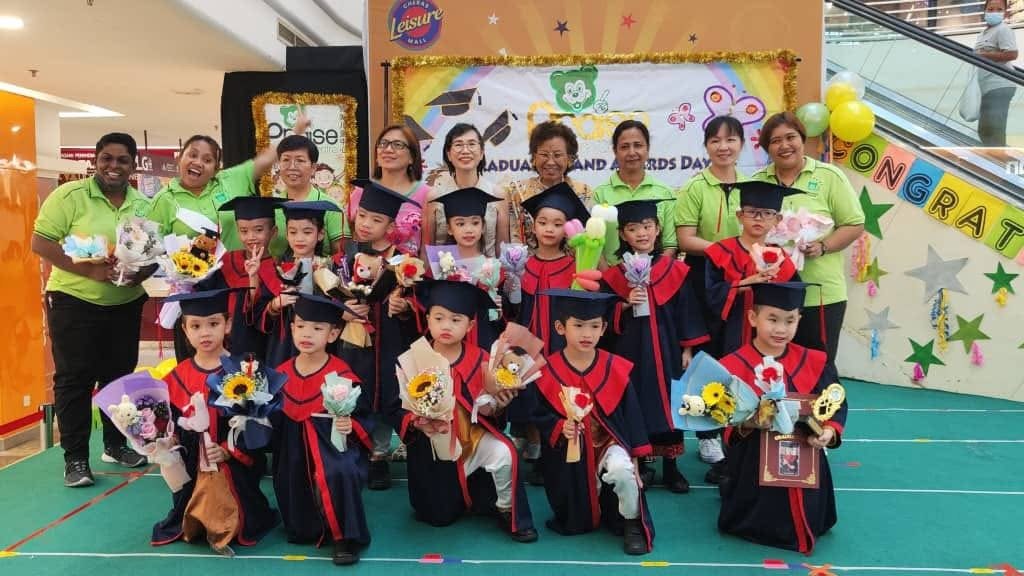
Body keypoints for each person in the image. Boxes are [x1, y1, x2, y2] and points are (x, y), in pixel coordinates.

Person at [32, 132, 153, 487]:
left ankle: (115, 445)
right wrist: (91, 270)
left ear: (133, 165)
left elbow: (153, 252)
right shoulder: (68, 196)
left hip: (124, 304)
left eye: (122, 160)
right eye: (107, 158)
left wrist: (138, 273)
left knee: (119, 378)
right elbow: (41, 242)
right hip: (73, 302)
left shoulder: (143, 204)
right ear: (96, 160)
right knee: (74, 380)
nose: (114, 166)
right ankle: (76, 459)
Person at [388, 279, 538, 542]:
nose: (446, 326)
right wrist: (414, 421)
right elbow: (394, 407)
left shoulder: (483, 360)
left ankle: (506, 508)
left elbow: (489, 412)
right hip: (435, 448)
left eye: (456, 320)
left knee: (506, 452)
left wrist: (498, 405)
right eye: (439, 318)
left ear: (469, 326)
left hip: (473, 440)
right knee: (439, 518)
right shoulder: (413, 359)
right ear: (428, 320)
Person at [717, 282, 848, 555]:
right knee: (759, 514)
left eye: (790, 320)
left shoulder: (814, 360)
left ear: (800, 319)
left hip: (806, 450)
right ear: (753, 318)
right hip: (754, 457)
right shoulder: (733, 366)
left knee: (808, 513)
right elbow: (724, 422)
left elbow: (835, 402)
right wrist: (750, 423)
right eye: (772, 319)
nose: (781, 329)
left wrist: (829, 431)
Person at [152, 289, 278, 554]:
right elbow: (169, 425)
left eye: (213, 323)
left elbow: (256, 424)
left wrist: (227, 451)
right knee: (191, 505)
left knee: (236, 516)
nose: (205, 333)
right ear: (184, 329)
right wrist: (166, 441)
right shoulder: (176, 377)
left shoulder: (243, 372)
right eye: (195, 326)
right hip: (191, 465)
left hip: (233, 463)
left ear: (228, 324)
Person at [532, 290, 654, 555]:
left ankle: (631, 521)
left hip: (608, 442)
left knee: (623, 471)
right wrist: (557, 427)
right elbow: (538, 413)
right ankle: (580, 515)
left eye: (594, 326)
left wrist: (636, 456)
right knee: (574, 506)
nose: (586, 334)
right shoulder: (547, 371)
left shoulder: (615, 367)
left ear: (604, 329)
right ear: (560, 327)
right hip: (569, 449)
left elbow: (631, 416)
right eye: (578, 325)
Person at [602, 200, 708, 493]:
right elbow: (603, 316)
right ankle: (643, 465)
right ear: (623, 234)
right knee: (637, 401)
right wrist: (623, 306)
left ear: (658, 229)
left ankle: (672, 468)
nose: (641, 233)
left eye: (647, 227)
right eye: (633, 228)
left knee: (671, 404)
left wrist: (688, 350)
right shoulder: (615, 275)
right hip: (631, 350)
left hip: (667, 349)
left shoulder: (673, 270)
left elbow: (687, 311)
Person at [752, 112, 865, 373]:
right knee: (772, 369)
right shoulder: (758, 181)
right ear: (767, 148)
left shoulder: (829, 176)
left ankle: (822, 415)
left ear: (802, 139)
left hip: (821, 294)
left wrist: (823, 246)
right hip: (773, 295)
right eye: (775, 141)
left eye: (790, 137)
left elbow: (854, 223)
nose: (784, 146)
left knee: (819, 367)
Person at [273, 294, 373, 565]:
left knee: (338, 470)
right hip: (292, 451)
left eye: (318, 328)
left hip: (332, 447)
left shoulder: (341, 375)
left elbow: (364, 417)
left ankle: (345, 537)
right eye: (301, 325)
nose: (308, 333)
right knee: (291, 469)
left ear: (333, 334)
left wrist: (351, 424)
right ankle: (305, 525)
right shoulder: (280, 374)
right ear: (292, 329)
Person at [673, 116, 747, 471]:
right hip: (703, 276)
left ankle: (734, 428)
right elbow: (685, 238)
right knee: (704, 357)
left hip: (742, 277)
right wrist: (722, 251)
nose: (723, 147)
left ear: (742, 145)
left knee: (736, 353)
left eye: (731, 140)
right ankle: (705, 437)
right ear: (705, 146)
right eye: (715, 140)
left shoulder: (752, 186)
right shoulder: (694, 187)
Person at [338, 180, 421, 490]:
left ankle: (379, 455)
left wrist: (403, 305)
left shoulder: (403, 261)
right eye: (362, 216)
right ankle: (356, 449)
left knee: (388, 392)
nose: (366, 225)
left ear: (390, 225)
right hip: (354, 341)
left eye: (376, 220)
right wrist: (342, 309)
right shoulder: (345, 255)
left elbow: (418, 302)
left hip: (390, 340)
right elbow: (331, 296)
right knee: (356, 391)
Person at [148, 130, 284, 252]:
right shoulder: (163, 199)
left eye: (207, 160)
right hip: (192, 277)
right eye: (193, 155)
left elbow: (265, 159)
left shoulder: (230, 180)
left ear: (216, 170)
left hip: (242, 274)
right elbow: (151, 247)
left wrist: (297, 130)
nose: (198, 163)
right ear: (179, 159)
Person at [705, 181, 800, 355]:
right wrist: (744, 284)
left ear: (777, 220)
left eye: (767, 213)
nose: (758, 218)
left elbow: (793, 302)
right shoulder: (721, 253)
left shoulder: (782, 259)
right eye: (751, 212)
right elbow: (709, 295)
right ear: (740, 215)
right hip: (726, 337)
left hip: (768, 341)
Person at [261, 201, 345, 368]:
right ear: (287, 234)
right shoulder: (276, 268)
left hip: (320, 339)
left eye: (307, 232)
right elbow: (262, 312)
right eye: (293, 232)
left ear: (320, 234)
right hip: (284, 341)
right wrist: (276, 304)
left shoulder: (331, 267)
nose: (299, 238)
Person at [592, 120, 678, 265]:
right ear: (615, 151)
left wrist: (652, 278)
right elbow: (596, 245)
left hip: (655, 280)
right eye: (624, 147)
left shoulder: (665, 193)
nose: (632, 152)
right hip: (611, 280)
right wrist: (612, 278)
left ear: (647, 149)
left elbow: (670, 245)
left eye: (638, 145)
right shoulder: (600, 194)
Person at [431, 186, 505, 349]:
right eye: (460, 223)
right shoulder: (442, 263)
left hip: (483, 339)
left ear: (483, 226)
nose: (469, 229)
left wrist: (497, 310)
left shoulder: (493, 266)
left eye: (475, 222)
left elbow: (495, 318)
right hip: (448, 341)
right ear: (450, 228)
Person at [422, 123, 509, 257]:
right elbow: (427, 248)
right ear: (449, 155)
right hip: (444, 275)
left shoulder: (497, 195)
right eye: (458, 144)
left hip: (488, 275)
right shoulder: (434, 196)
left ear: (481, 153)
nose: (465, 150)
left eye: (472, 144)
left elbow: (502, 249)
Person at [505, 121, 592, 249]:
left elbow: (587, 238)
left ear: (570, 159)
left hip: (572, 265)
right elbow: (515, 237)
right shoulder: (517, 192)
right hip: (528, 265)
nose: (550, 162)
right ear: (534, 157)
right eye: (544, 155)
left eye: (557, 155)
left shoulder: (583, 192)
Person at [347, 125, 431, 256]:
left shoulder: (427, 195)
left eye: (398, 144)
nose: (388, 149)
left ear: (412, 157)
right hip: (364, 271)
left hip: (408, 273)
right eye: (383, 144)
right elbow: (349, 237)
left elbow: (428, 247)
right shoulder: (361, 191)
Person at [268, 135, 346, 258]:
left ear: (313, 168)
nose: (292, 167)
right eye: (286, 160)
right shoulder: (270, 207)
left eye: (300, 160)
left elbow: (342, 256)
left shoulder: (331, 207)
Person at [975, 0, 1019, 147]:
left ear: (1005, 13)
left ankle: (997, 167)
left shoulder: (1003, 29)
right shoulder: (983, 33)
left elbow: (1012, 54)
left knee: (994, 131)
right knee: (984, 131)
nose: (994, 12)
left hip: (1000, 85)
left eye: (999, 9)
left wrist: (984, 55)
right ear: (985, 11)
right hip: (987, 87)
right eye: (991, 9)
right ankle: (991, 163)